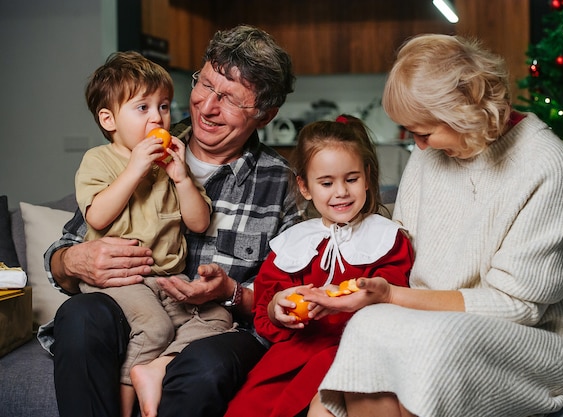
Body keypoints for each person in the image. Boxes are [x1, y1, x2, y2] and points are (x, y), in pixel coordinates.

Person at [303, 34, 563, 417]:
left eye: (424, 133)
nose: (419, 146)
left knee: (434, 345)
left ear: (467, 110)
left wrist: (392, 297)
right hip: (427, 320)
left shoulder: (547, 164)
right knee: (367, 327)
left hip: (540, 336)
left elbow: (517, 306)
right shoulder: (430, 157)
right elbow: (401, 253)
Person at [40, 25, 301, 417]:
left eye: (229, 99)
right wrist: (73, 261)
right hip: (135, 306)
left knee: (205, 365)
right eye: (205, 85)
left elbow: (287, 295)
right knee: (79, 317)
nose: (207, 107)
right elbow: (65, 248)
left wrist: (230, 291)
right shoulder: (138, 148)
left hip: (217, 326)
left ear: (265, 115)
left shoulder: (281, 183)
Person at [75, 50, 236, 417]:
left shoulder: (169, 165)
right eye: (142, 108)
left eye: (163, 106)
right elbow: (98, 216)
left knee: (218, 319)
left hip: (166, 279)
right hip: (120, 279)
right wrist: (134, 168)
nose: (158, 117)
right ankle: (127, 407)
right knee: (154, 326)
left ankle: (156, 367)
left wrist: (180, 177)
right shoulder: (100, 160)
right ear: (108, 119)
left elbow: (198, 223)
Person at [224, 115, 415, 417]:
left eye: (351, 179)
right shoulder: (294, 241)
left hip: (354, 351)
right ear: (305, 186)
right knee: (248, 406)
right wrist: (277, 307)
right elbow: (266, 300)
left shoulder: (387, 237)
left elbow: (395, 289)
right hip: (294, 353)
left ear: (366, 176)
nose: (340, 192)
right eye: (326, 183)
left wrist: (351, 295)